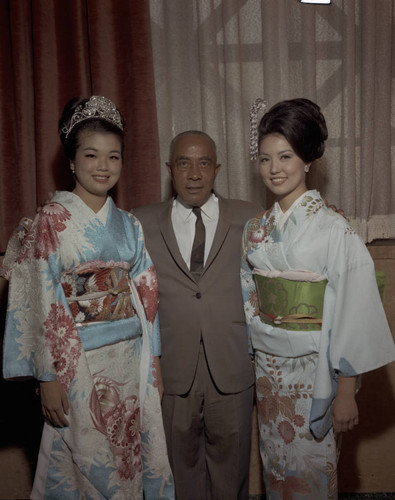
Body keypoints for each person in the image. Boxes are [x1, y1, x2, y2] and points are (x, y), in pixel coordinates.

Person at [1, 96, 174, 499]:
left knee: (129, 452)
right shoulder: (50, 221)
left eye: (113, 157)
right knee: (83, 460)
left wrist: (156, 362)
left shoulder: (129, 225)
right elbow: (40, 297)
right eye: (92, 155)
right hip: (76, 361)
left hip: (131, 358)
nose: (103, 166)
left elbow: (147, 294)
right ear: (72, 161)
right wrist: (47, 376)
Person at [241, 98, 395, 499]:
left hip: (315, 372)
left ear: (308, 159)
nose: (274, 169)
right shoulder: (256, 229)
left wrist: (346, 391)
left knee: (313, 475)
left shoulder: (333, 229)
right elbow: (249, 300)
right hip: (270, 375)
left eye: (286, 156)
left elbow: (353, 309)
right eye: (266, 158)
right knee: (276, 471)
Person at [133, 130, 261, 499]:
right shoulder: (139, 222)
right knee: (178, 469)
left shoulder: (251, 215)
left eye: (204, 163)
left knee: (232, 466)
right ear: (170, 169)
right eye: (184, 163)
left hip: (232, 361)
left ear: (217, 169)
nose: (194, 173)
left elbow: (291, 238)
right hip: (170, 366)